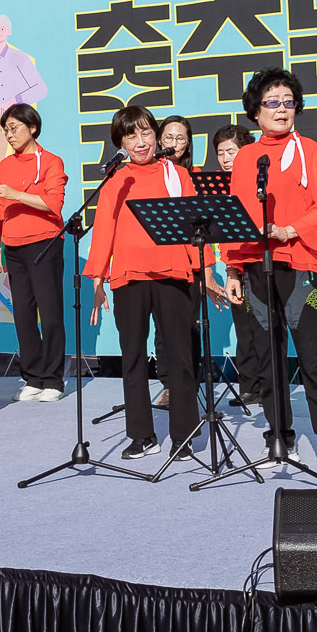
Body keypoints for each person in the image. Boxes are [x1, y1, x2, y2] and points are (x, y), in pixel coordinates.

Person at [229, 68, 317, 470]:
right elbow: (236, 216)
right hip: (253, 266)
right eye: (273, 102)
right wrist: (232, 270)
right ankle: (278, 438)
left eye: (288, 102)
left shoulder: (309, 150)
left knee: (312, 357)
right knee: (267, 358)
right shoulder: (246, 157)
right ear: (256, 110)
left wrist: (289, 229)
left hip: (299, 263)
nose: (283, 109)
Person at [84, 104, 200, 462]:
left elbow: (196, 225)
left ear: (156, 134)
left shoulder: (175, 175)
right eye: (130, 135)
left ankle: (184, 434)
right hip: (129, 277)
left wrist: (202, 271)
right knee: (132, 358)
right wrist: (98, 278)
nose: (140, 141)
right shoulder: (115, 179)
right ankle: (142, 435)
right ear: (120, 142)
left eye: (146, 132)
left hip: (172, 274)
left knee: (180, 358)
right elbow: (103, 229)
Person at [0, 102, 67, 401]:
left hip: (45, 242)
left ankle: (54, 379)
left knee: (50, 313)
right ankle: (32, 377)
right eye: (6, 130)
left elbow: (53, 204)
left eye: (15, 128)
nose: (9, 135)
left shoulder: (51, 161)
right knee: (22, 314)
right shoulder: (5, 165)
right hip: (15, 246)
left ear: (32, 128)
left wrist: (15, 194)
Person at [207, 123, 265, 414]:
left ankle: (268, 386)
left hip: (260, 260)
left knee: (263, 326)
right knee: (244, 326)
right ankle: (249, 387)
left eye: (231, 151)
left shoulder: (260, 179)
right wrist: (230, 267)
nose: (226, 158)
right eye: (221, 153)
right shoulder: (218, 185)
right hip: (234, 262)